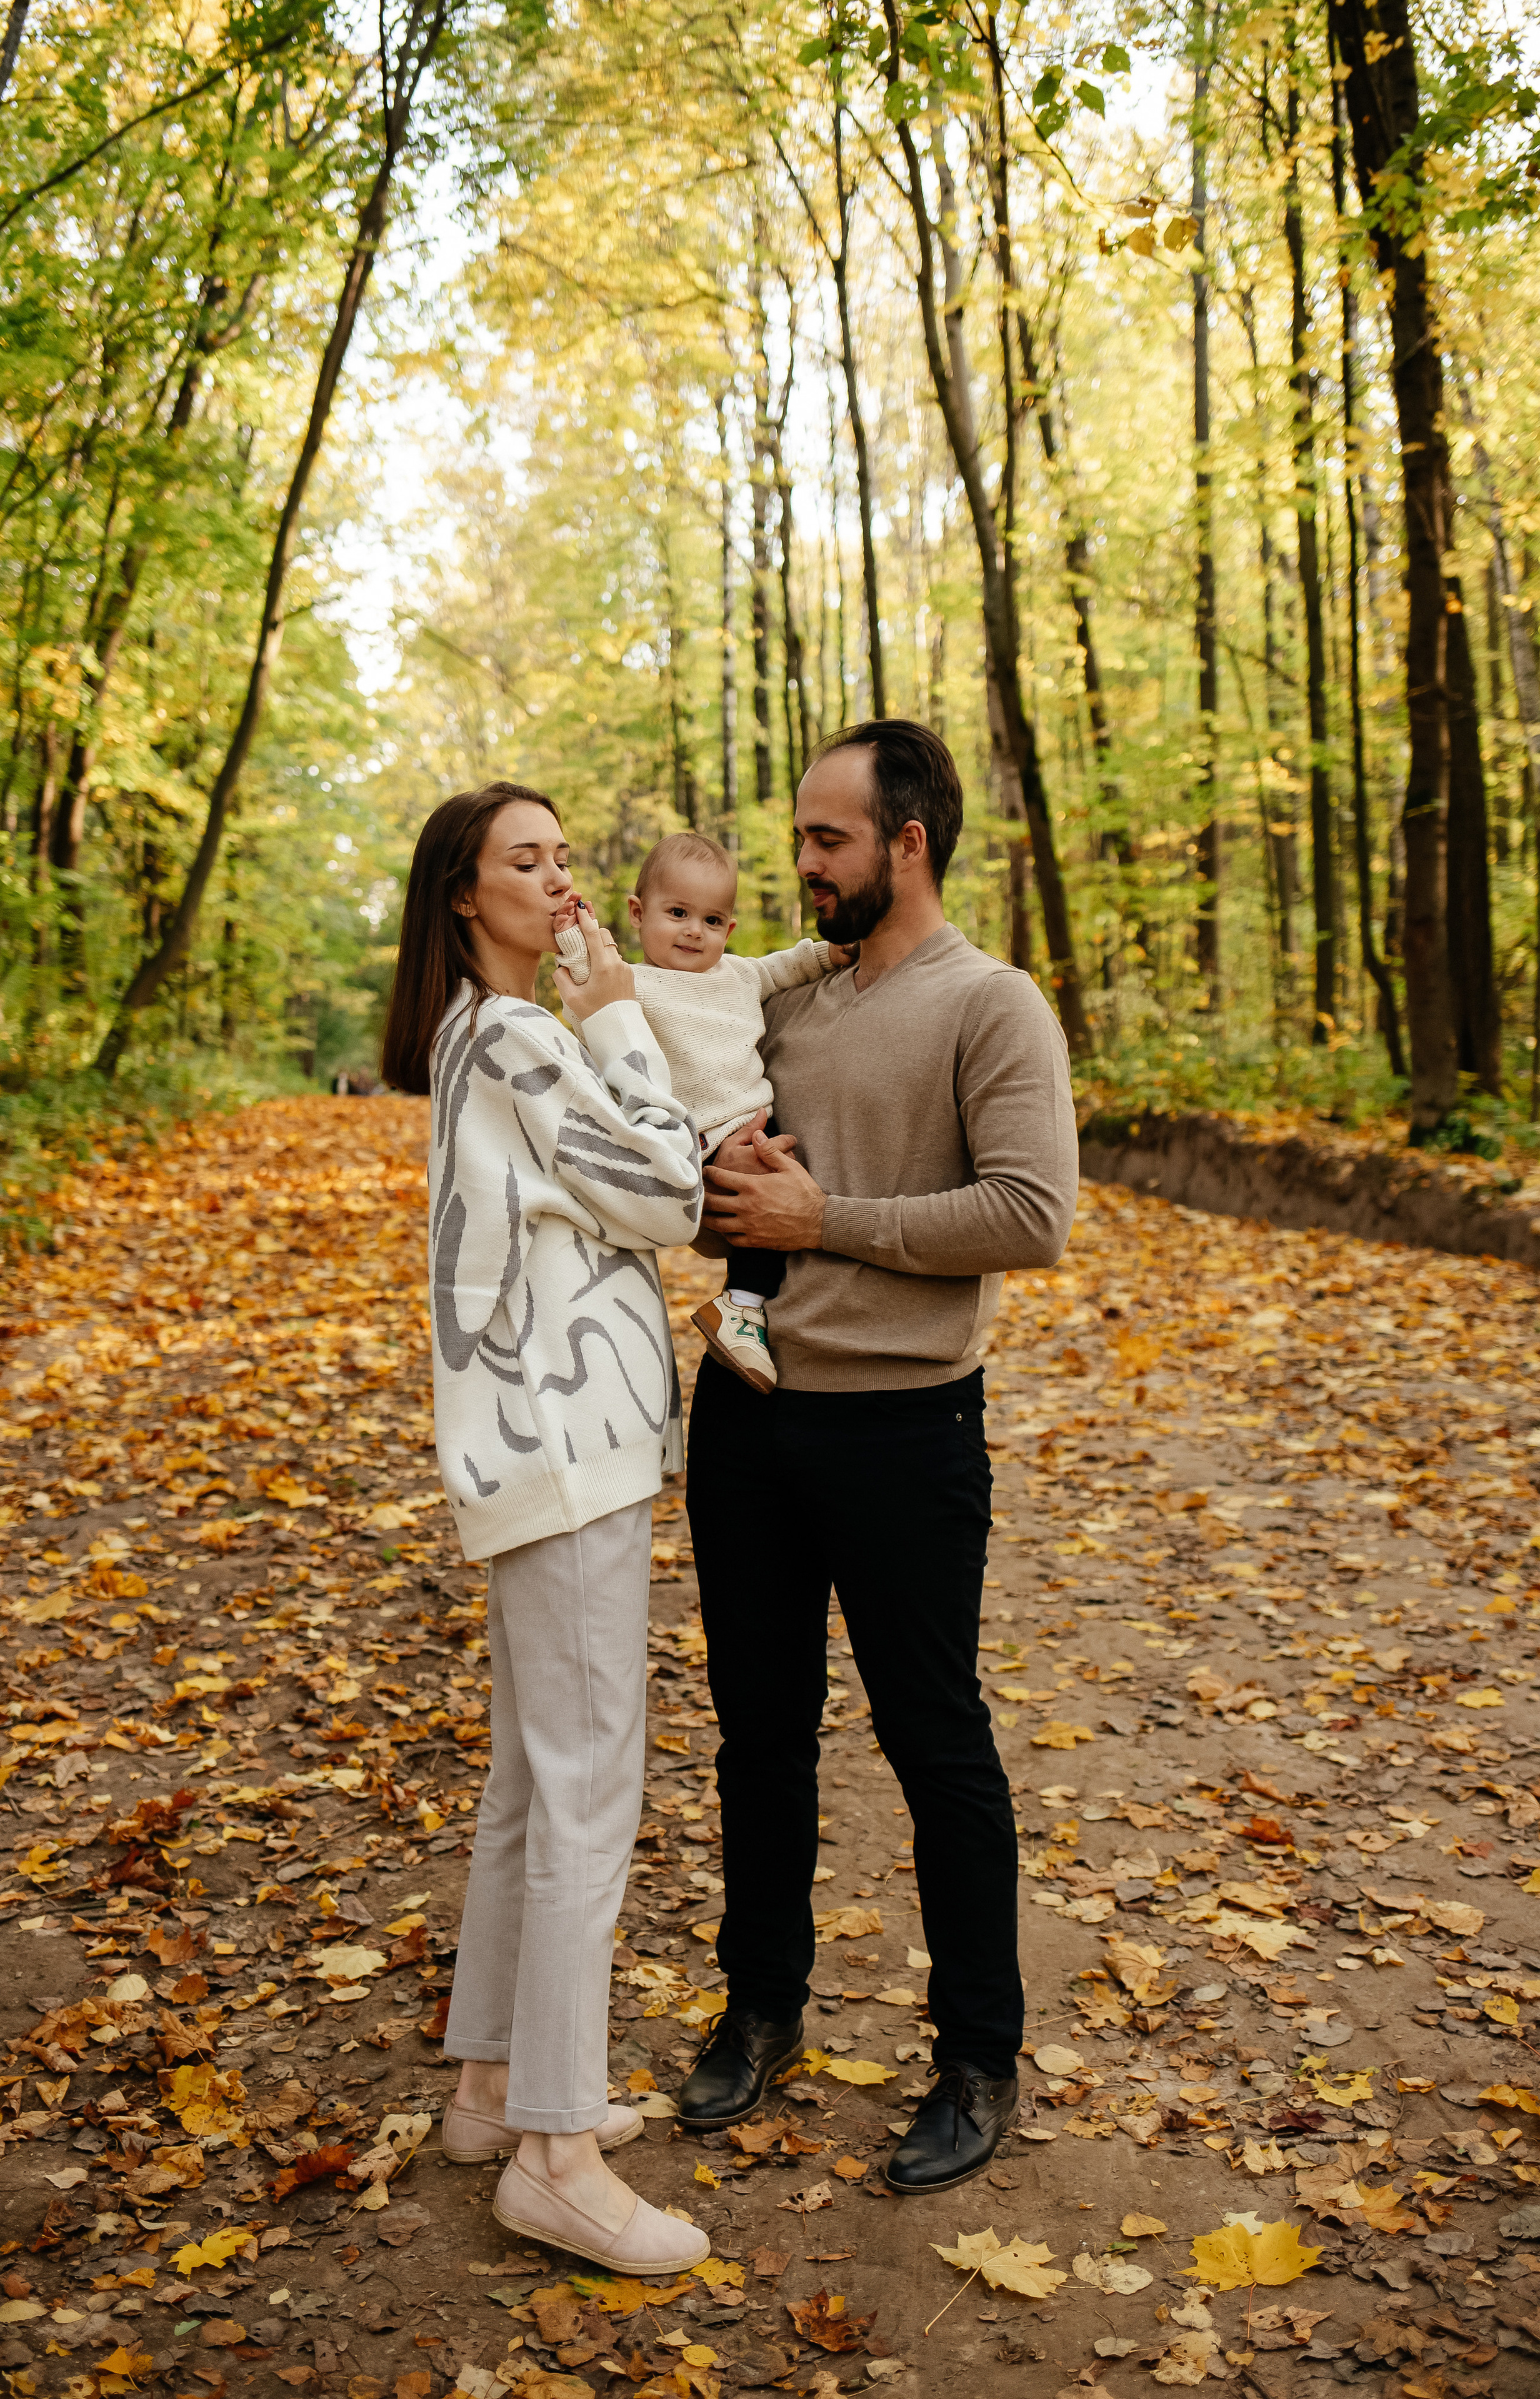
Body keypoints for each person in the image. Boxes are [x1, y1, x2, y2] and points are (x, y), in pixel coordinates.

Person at [674, 721, 1080, 2195]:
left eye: (824, 840)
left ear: (905, 842)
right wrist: (724, 1205)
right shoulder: (784, 1002)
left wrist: (821, 1220)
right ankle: (762, 2007)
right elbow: (730, 1168)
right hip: (743, 1413)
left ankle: (976, 2056)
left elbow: (1031, 1216)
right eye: (797, 838)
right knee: (755, 1735)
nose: (800, 865)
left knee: (934, 1741)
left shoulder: (992, 1005)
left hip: (905, 1425)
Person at [379, 780, 710, 2275]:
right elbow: (668, 1189)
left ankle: (493, 2078)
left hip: (529, 1453)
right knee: (588, 1788)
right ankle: (555, 2157)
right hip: (565, 1457)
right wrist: (624, 1015)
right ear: (465, 893)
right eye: (527, 861)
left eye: (566, 858)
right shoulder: (520, 1035)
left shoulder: (471, 1041)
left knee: (532, 1777)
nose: (562, 883)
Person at [558, 830, 852, 1393]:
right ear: (639, 915)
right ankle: (741, 1308)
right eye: (677, 913)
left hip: (759, 1122)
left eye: (713, 921)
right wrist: (575, 937)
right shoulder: (633, 983)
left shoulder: (738, 974)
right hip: (695, 1138)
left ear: (729, 930)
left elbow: (787, 966)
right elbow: (586, 983)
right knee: (763, 1204)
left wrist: (830, 953)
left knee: (786, 1204)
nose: (695, 931)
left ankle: (748, 1306)